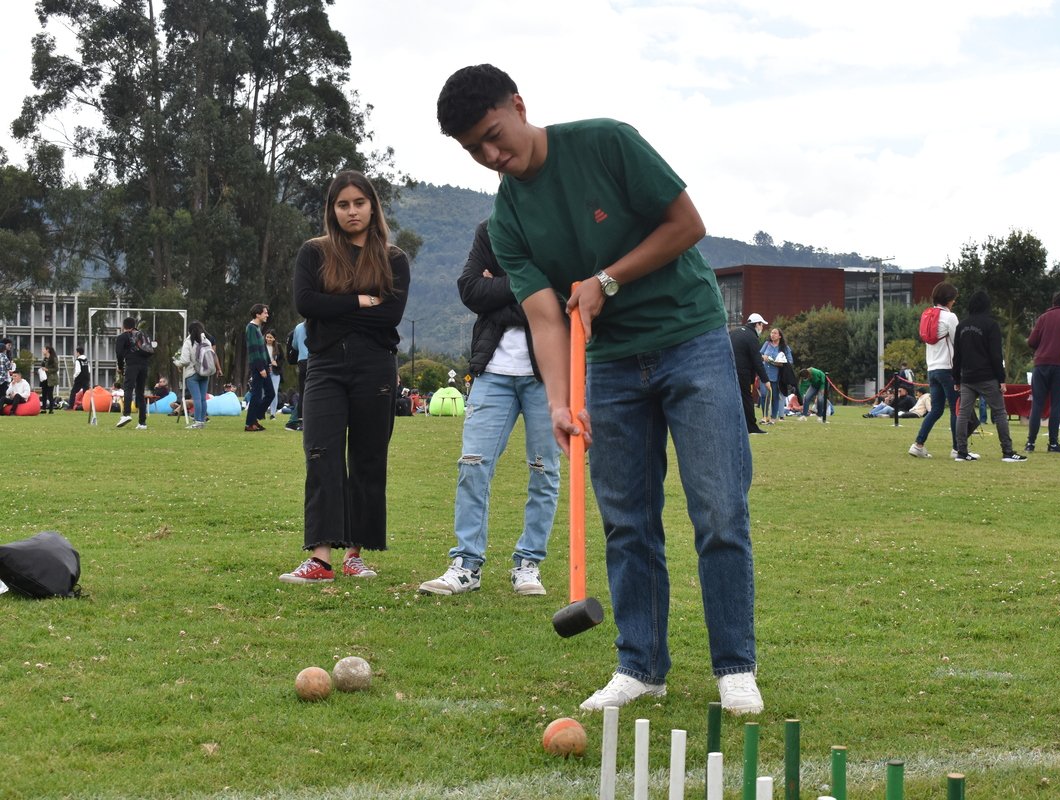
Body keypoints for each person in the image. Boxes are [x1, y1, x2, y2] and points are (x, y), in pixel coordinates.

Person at [438, 64, 761, 714]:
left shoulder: (607, 143)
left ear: (520, 106)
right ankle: (641, 666)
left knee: (719, 510)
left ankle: (735, 667)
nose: (493, 155)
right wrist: (560, 400)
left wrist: (607, 280)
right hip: (609, 365)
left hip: (690, 337)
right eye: (475, 150)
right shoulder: (507, 222)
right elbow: (544, 316)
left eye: (495, 136)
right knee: (627, 522)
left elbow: (687, 225)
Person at [279, 169, 410, 585]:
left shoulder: (394, 259)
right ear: (331, 210)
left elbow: (390, 315)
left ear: (372, 206)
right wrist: (360, 300)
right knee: (321, 455)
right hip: (324, 367)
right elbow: (306, 303)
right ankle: (320, 558)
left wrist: (334, 306)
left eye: (359, 203)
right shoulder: (313, 253)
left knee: (368, 459)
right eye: (342, 205)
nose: (351, 212)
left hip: (376, 368)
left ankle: (355, 553)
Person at [419, 222, 562, 597]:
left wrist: (497, 287)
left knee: (544, 470)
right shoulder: (491, 230)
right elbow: (470, 289)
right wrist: (531, 286)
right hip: (492, 372)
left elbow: (564, 295)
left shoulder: (559, 225)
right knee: (472, 465)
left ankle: (528, 565)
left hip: (547, 372)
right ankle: (467, 565)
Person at [951, 290, 1026, 462]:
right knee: (999, 412)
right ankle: (1007, 451)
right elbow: (995, 355)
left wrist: (956, 378)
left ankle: (961, 451)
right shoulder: (991, 325)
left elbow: (957, 355)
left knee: (963, 413)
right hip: (987, 377)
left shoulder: (961, 326)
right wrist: (1001, 378)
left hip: (967, 377)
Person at [1023, 291, 1060, 453]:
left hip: (1040, 364)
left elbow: (1032, 341)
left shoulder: (1043, 317)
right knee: (1057, 404)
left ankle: (1031, 443)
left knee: (1037, 404)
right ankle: (1053, 443)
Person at [908, 282, 961, 458]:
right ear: (949, 300)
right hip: (948, 368)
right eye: (953, 299)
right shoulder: (950, 317)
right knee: (956, 408)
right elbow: (958, 343)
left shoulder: (927, 315)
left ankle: (918, 444)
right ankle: (957, 448)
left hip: (932, 367)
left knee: (936, 409)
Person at [174, 321, 221, 429]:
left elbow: (185, 360)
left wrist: (177, 363)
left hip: (192, 373)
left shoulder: (188, 342)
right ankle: (202, 420)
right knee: (203, 399)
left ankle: (198, 421)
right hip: (205, 372)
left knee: (196, 398)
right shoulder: (207, 341)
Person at [730, 313, 770, 434]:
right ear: (757, 324)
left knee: (733, 398)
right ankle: (751, 427)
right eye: (761, 325)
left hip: (728, 370)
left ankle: (733, 425)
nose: (762, 328)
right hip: (742, 372)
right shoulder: (752, 337)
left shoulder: (734, 332)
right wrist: (765, 380)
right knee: (747, 398)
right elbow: (757, 361)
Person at [115, 317, 152, 430]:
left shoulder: (123, 337)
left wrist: (120, 367)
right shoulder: (141, 335)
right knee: (140, 392)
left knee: (128, 389)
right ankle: (142, 422)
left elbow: (119, 354)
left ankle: (126, 415)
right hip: (144, 366)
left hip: (132, 365)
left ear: (123, 326)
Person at [243, 304, 275, 432]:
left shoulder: (257, 328)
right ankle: (250, 424)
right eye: (265, 313)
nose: (267, 315)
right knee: (256, 395)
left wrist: (268, 365)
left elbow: (263, 350)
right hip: (258, 367)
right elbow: (254, 350)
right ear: (258, 314)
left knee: (271, 393)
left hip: (263, 366)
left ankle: (255, 417)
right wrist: (261, 368)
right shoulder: (251, 328)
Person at [758, 328, 791, 424]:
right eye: (771, 332)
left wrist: (777, 363)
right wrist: (763, 357)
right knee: (764, 395)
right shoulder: (767, 344)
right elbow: (759, 355)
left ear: (780, 336)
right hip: (764, 374)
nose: (772, 334)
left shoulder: (784, 348)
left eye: (775, 333)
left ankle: (773, 418)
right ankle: (765, 417)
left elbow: (790, 361)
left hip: (776, 376)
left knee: (774, 396)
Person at [265, 330, 284, 419]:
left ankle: (273, 414)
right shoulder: (262, 346)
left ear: (274, 338)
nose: (268, 339)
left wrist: (277, 363)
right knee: (263, 392)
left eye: (270, 337)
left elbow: (283, 359)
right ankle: (262, 411)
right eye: (267, 337)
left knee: (274, 392)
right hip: (264, 372)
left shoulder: (278, 346)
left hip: (275, 372)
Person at [39, 346, 58, 413]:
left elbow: (56, 369)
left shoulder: (53, 359)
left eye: (44, 349)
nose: (42, 351)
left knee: (50, 394)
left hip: (50, 378)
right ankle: (44, 409)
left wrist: (47, 369)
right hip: (44, 378)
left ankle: (51, 409)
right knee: (44, 393)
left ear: (47, 350)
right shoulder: (44, 359)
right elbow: (42, 366)